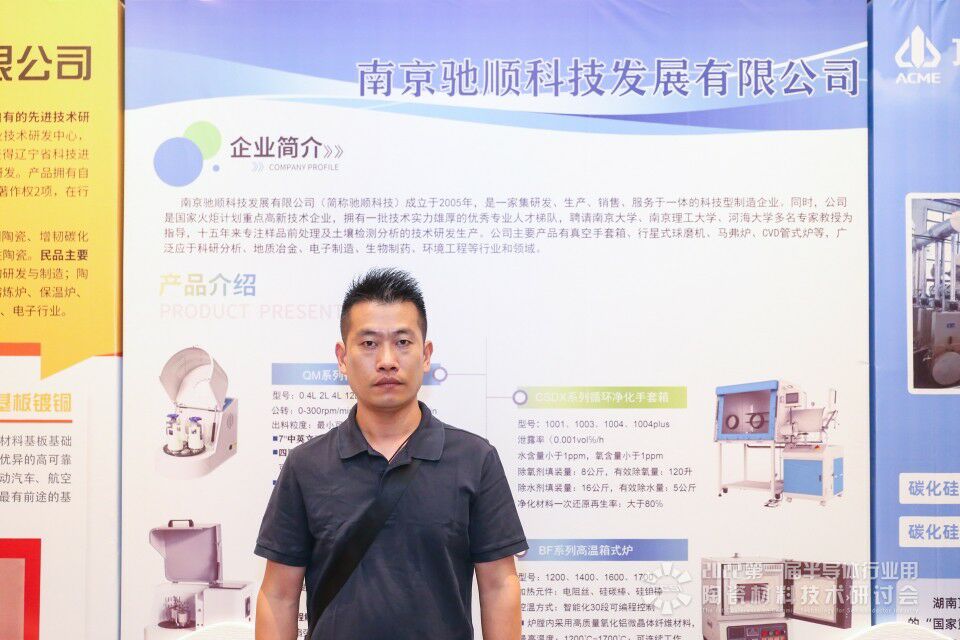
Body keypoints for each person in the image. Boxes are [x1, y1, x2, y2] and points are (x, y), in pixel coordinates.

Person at [254, 268, 527, 640]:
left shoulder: (475, 460)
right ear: (342, 357)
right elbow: (278, 595)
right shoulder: (306, 465)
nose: (386, 360)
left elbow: (498, 585)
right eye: (369, 343)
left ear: (426, 355)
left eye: (402, 342)